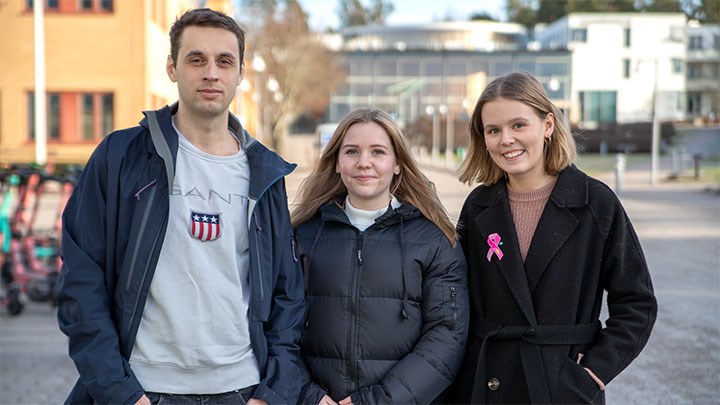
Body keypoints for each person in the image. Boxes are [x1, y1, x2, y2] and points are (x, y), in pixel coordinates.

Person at [55, 8, 305, 405]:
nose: (211, 73)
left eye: (225, 61)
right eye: (196, 59)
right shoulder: (121, 157)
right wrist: (119, 392)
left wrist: (272, 394)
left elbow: (287, 295)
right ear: (172, 68)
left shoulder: (266, 173)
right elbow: (81, 280)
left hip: (241, 390)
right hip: (144, 389)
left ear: (240, 74)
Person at [448, 71, 658, 404]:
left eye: (518, 125)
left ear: (547, 125)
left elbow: (637, 303)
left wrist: (592, 373)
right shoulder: (479, 206)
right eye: (494, 130)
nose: (506, 139)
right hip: (489, 383)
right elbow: (459, 300)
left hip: (563, 387)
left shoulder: (595, 203)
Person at [291, 108, 469, 404]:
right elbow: (278, 326)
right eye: (351, 151)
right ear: (336, 162)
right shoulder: (302, 236)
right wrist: (310, 396)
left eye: (378, 152)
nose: (364, 163)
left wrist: (377, 401)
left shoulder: (434, 240)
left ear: (397, 163)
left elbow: (447, 335)